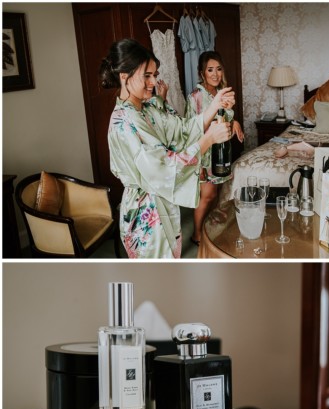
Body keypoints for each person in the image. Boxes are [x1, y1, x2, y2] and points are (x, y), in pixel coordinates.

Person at [100, 39, 233, 258]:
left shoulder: (149, 109)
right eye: (147, 75)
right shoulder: (123, 123)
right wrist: (208, 140)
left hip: (164, 207)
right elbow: (163, 167)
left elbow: (181, 130)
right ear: (124, 77)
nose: (154, 82)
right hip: (145, 213)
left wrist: (215, 105)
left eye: (155, 74)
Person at [185, 51, 244, 245]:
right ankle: (197, 235)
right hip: (205, 153)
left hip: (222, 152)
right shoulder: (195, 97)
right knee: (207, 195)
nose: (215, 74)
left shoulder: (222, 92)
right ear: (202, 73)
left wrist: (234, 121)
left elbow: (224, 116)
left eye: (218, 69)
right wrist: (198, 164)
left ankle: (208, 230)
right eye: (210, 70)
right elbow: (190, 129)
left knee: (216, 195)